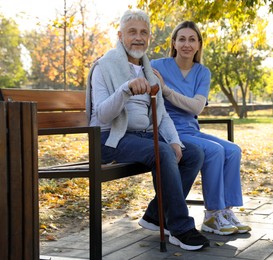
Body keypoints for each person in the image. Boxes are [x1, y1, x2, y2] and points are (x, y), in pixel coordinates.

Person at [86, 10, 209, 251]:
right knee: (162, 153)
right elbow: (101, 114)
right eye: (132, 32)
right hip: (109, 138)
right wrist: (126, 90)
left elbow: (160, 114)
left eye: (144, 33)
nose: (138, 38)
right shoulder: (103, 66)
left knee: (193, 153)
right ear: (120, 35)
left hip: (141, 137)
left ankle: (155, 215)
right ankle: (180, 228)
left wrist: (175, 141)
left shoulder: (148, 70)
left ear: (150, 38)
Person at [151, 21, 251, 236]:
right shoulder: (157, 66)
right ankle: (212, 214)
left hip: (191, 130)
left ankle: (226, 210)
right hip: (169, 131)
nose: (187, 44)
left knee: (233, 150)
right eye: (182, 39)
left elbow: (197, 107)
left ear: (198, 45)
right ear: (174, 43)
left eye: (192, 39)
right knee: (215, 150)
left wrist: (167, 91)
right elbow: (131, 68)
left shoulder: (202, 72)